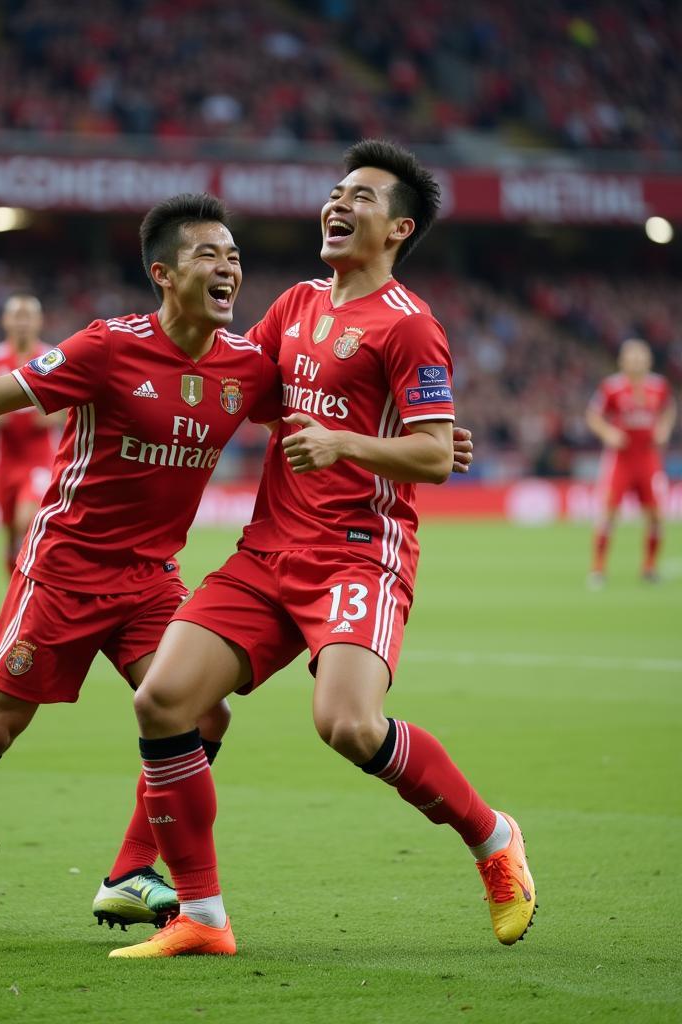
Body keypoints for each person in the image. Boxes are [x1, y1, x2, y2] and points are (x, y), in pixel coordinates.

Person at [109, 140, 534, 960]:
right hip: (268, 550)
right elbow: (249, 382)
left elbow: (436, 455)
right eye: (335, 192)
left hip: (356, 552)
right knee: (164, 701)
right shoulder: (297, 303)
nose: (338, 205)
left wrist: (348, 445)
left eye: (362, 198)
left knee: (345, 723)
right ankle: (201, 914)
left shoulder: (410, 327)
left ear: (399, 227)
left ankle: (493, 839)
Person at [0, 194, 284, 931]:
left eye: (234, 255)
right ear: (164, 273)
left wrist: (411, 438)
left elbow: (317, 413)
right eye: (209, 254)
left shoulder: (247, 366)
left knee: (206, 712)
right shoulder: (107, 348)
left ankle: (130, 871)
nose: (229, 267)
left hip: (151, 580)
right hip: (65, 571)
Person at [0, 295, 57, 576]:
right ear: (5, 321)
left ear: (39, 322)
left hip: (39, 459)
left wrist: (49, 417)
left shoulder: (52, 358)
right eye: (17, 316)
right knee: (10, 535)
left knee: (27, 521)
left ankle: (34, 583)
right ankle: (15, 592)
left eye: (28, 316)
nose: (22, 323)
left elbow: (70, 407)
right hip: (4, 461)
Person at [585, 338, 675, 587]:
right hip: (621, 460)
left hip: (648, 458)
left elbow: (669, 409)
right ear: (622, 361)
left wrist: (664, 429)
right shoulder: (611, 387)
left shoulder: (659, 386)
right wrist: (608, 433)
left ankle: (649, 567)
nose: (636, 362)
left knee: (656, 515)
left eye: (640, 358)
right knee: (609, 513)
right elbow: (593, 415)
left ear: (648, 360)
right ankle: (598, 568)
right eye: (631, 358)